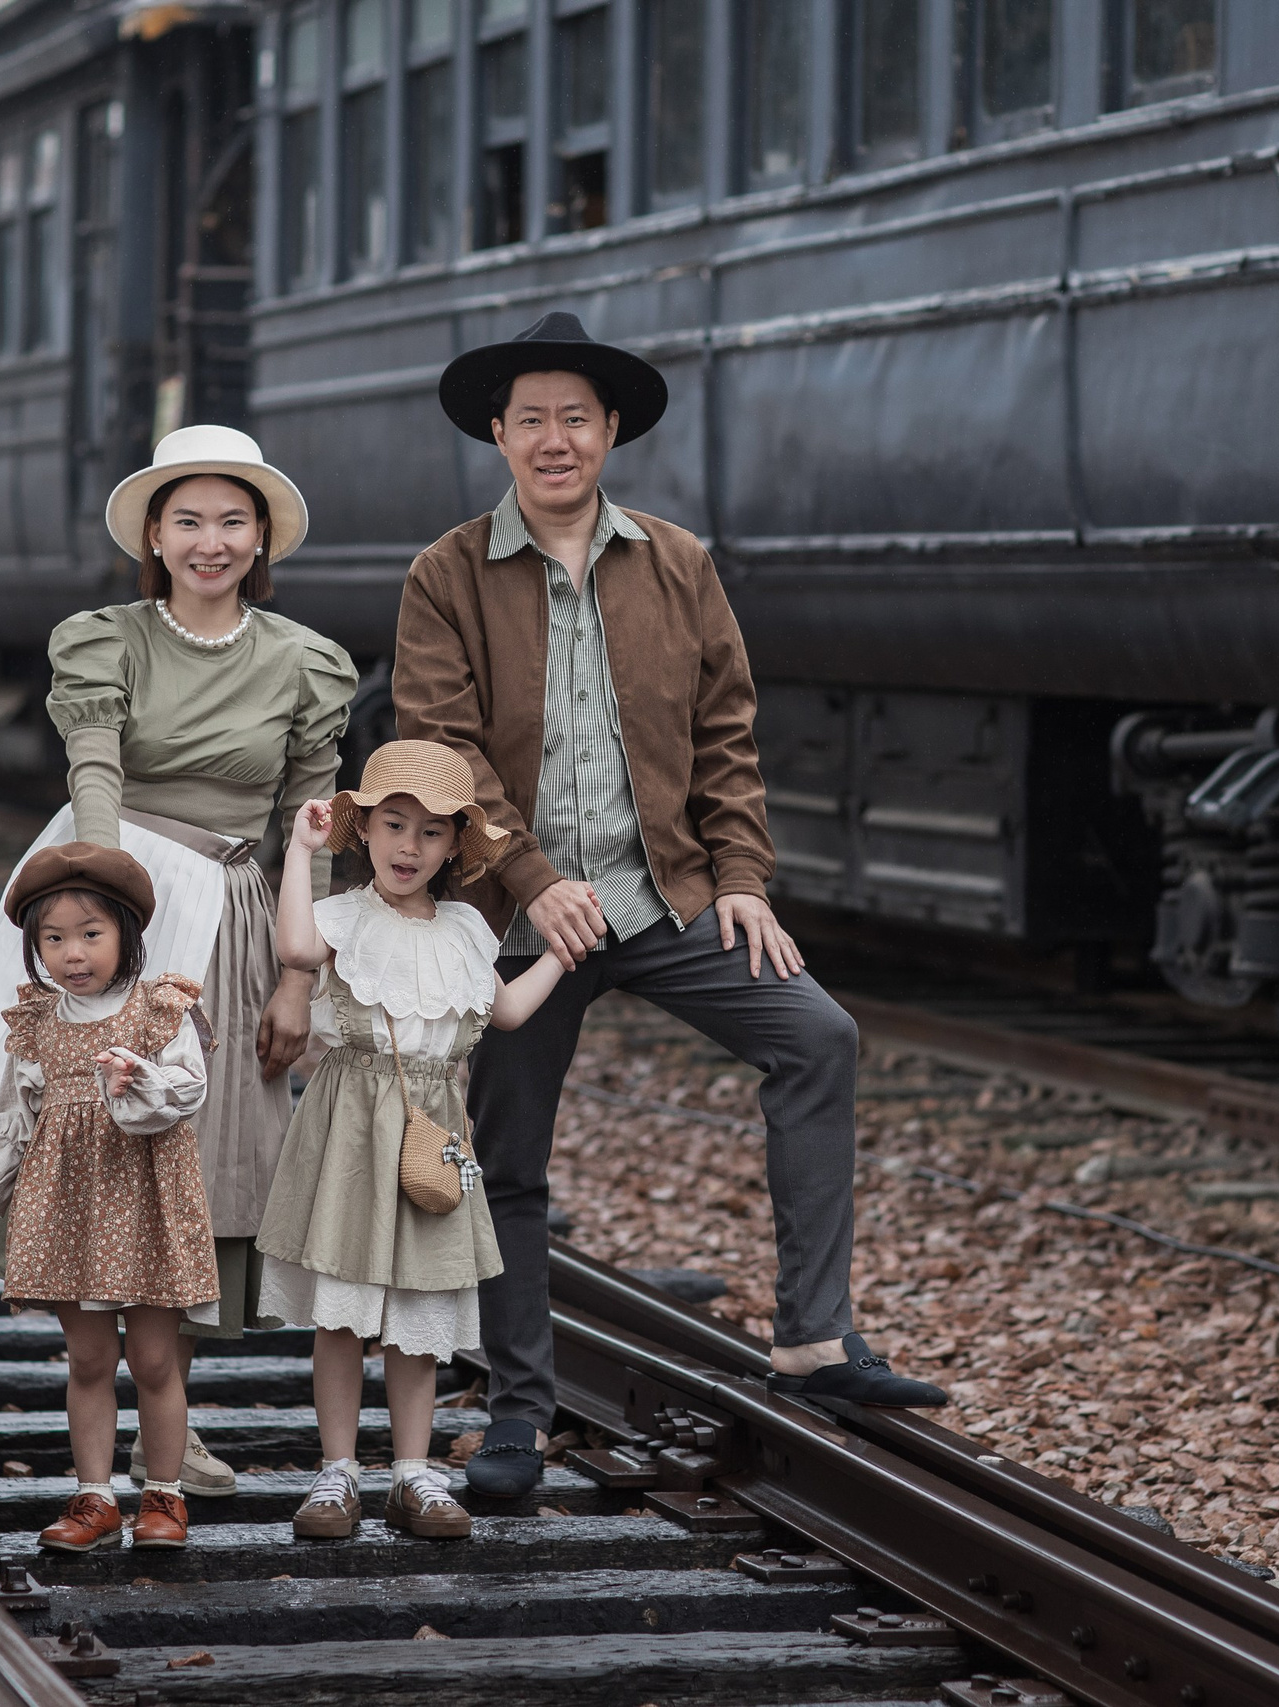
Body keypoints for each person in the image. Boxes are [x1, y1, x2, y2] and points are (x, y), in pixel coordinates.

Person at [393, 311, 947, 1499]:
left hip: (664, 897)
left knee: (817, 1038)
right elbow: (440, 750)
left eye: (576, 420)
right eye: (531, 419)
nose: (555, 439)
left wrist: (741, 882)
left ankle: (810, 1339)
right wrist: (533, 883)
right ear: (498, 434)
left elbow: (724, 738)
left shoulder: (678, 563)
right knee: (506, 1155)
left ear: (610, 436)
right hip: (513, 917)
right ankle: (516, 1415)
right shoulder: (446, 573)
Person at [0, 426, 357, 1498]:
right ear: (153, 532)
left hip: (230, 904)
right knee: (7, 1090)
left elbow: (306, 829)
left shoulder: (305, 663)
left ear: (262, 536)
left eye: (233, 520)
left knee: (185, 1145)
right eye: (187, 519)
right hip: (100, 889)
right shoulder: (107, 640)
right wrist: (92, 908)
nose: (210, 541)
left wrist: (298, 973)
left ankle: (167, 1433)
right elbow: (95, 766)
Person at [253, 741, 568, 1541]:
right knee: (344, 1309)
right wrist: (299, 850)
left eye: (431, 833)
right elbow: (294, 949)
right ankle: (338, 1471)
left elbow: (506, 1012)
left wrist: (566, 955)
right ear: (366, 832)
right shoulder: (347, 916)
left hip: (431, 1135)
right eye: (394, 825)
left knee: (420, 1308)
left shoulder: (465, 926)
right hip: (354, 1127)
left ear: (455, 848)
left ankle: (412, 1472)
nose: (408, 846)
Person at [0, 842, 217, 1551]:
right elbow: (16, 1116)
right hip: (71, 1210)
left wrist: (134, 1077)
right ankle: (95, 1497)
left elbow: (187, 1089)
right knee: (86, 1360)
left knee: (155, 1359)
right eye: (53, 938)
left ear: (126, 935)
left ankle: (164, 1497)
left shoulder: (158, 1007)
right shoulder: (39, 1022)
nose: (72, 953)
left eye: (90, 934)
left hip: (145, 1204)